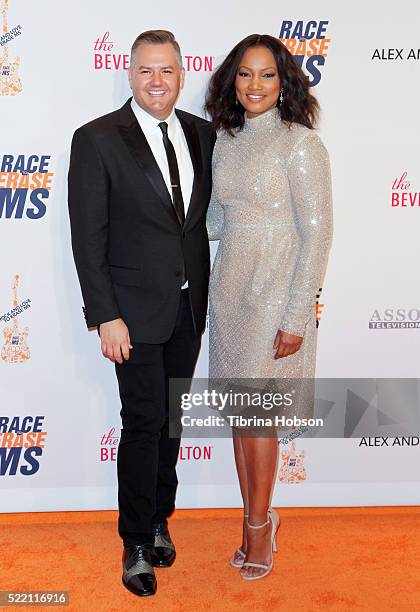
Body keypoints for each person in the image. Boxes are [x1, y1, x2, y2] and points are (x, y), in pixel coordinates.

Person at [68, 30, 215, 597]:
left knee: (172, 423)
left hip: (187, 308)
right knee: (143, 421)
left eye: (168, 71)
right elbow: (89, 237)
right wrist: (105, 315)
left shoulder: (203, 136)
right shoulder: (98, 139)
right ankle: (134, 541)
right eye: (147, 70)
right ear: (130, 74)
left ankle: (160, 519)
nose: (158, 81)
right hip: (130, 314)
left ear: (182, 75)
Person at [205, 34, 333, 581]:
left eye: (267, 75)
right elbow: (214, 220)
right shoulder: (225, 142)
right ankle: (253, 520)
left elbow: (319, 232)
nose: (255, 86)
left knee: (260, 421)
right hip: (229, 289)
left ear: (285, 83)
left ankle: (260, 528)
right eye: (245, 75)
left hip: (275, 293)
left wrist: (296, 313)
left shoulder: (300, 144)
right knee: (242, 418)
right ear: (232, 82)